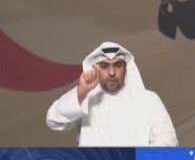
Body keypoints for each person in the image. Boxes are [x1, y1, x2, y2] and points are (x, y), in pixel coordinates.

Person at [46, 42, 178, 147]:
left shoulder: (148, 99)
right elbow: (53, 121)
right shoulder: (84, 99)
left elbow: (169, 141)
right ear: (95, 69)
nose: (112, 72)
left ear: (126, 69)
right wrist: (81, 91)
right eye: (104, 66)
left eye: (118, 65)